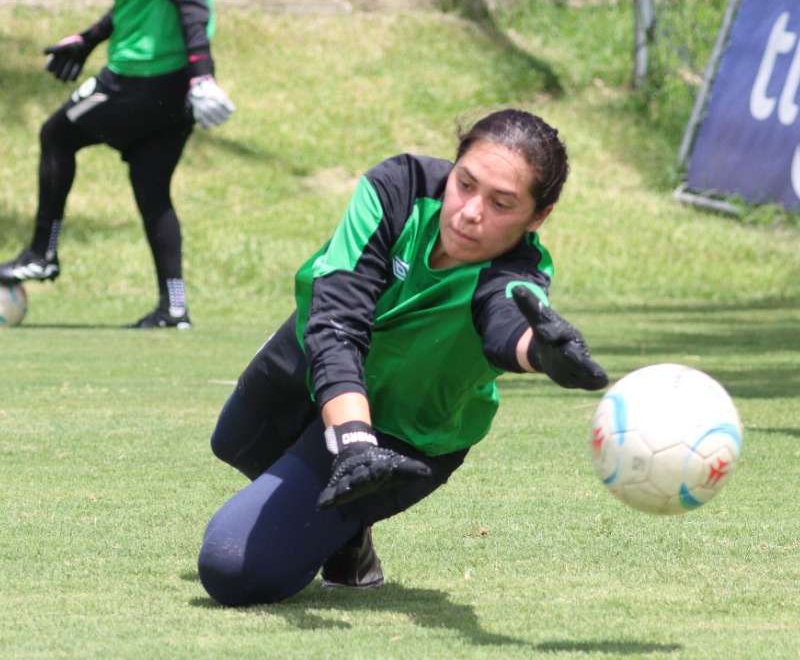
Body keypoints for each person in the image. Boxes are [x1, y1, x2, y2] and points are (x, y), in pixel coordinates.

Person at [197, 109, 607, 606]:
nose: (471, 211)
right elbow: (337, 318)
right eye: (465, 183)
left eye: (502, 203)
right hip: (319, 358)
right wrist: (350, 440)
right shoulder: (400, 187)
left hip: (403, 432)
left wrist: (541, 354)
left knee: (232, 569)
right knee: (234, 439)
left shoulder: (515, 272)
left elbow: (506, 322)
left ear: (537, 217)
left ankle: (344, 525)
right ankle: (342, 528)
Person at [0, 0, 235, 329]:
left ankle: (42, 252)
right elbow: (141, 3)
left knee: (57, 134)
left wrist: (204, 75)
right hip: (174, 91)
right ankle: (174, 306)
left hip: (141, 83)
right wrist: (88, 39)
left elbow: (190, 0)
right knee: (151, 186)